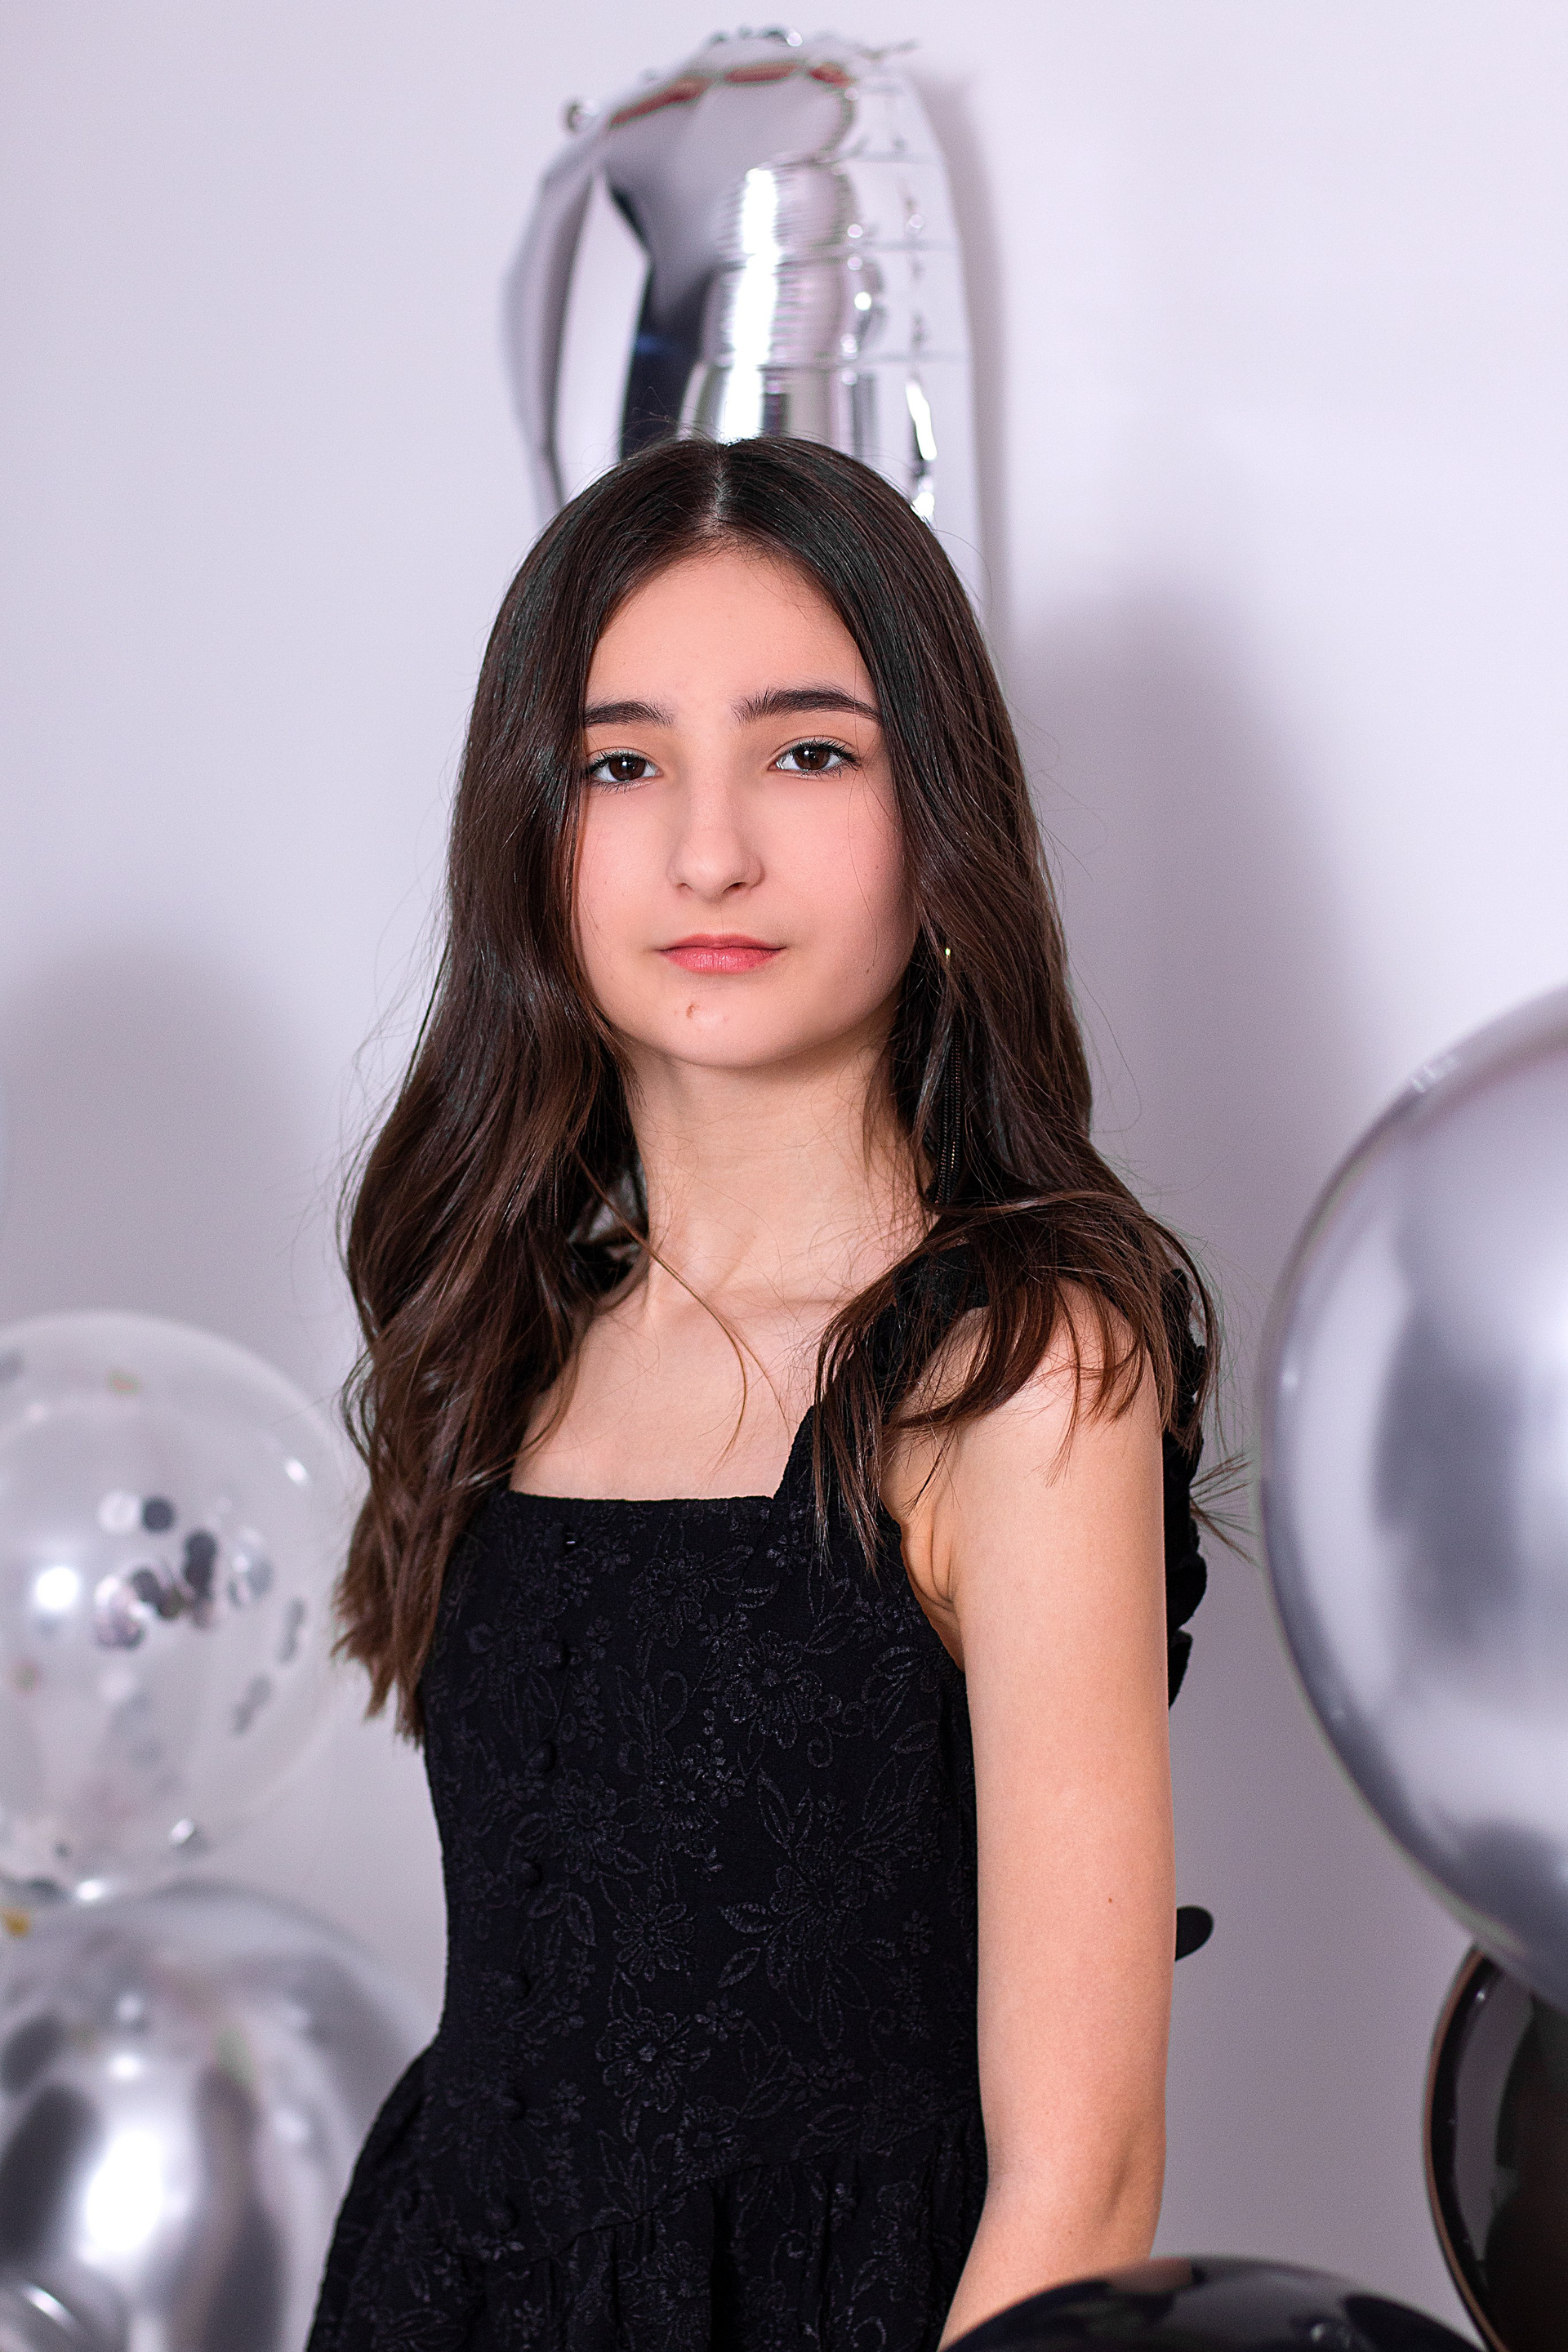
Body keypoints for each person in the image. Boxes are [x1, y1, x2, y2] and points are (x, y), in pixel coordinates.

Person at [307, 434, 1214, 2352]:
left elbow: (1085, 2175)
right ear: (530, 837)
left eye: (807, 753)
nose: (708, 850)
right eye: (621, 765)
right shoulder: (511, 1331)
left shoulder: (1014, 1365)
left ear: (937, 821)